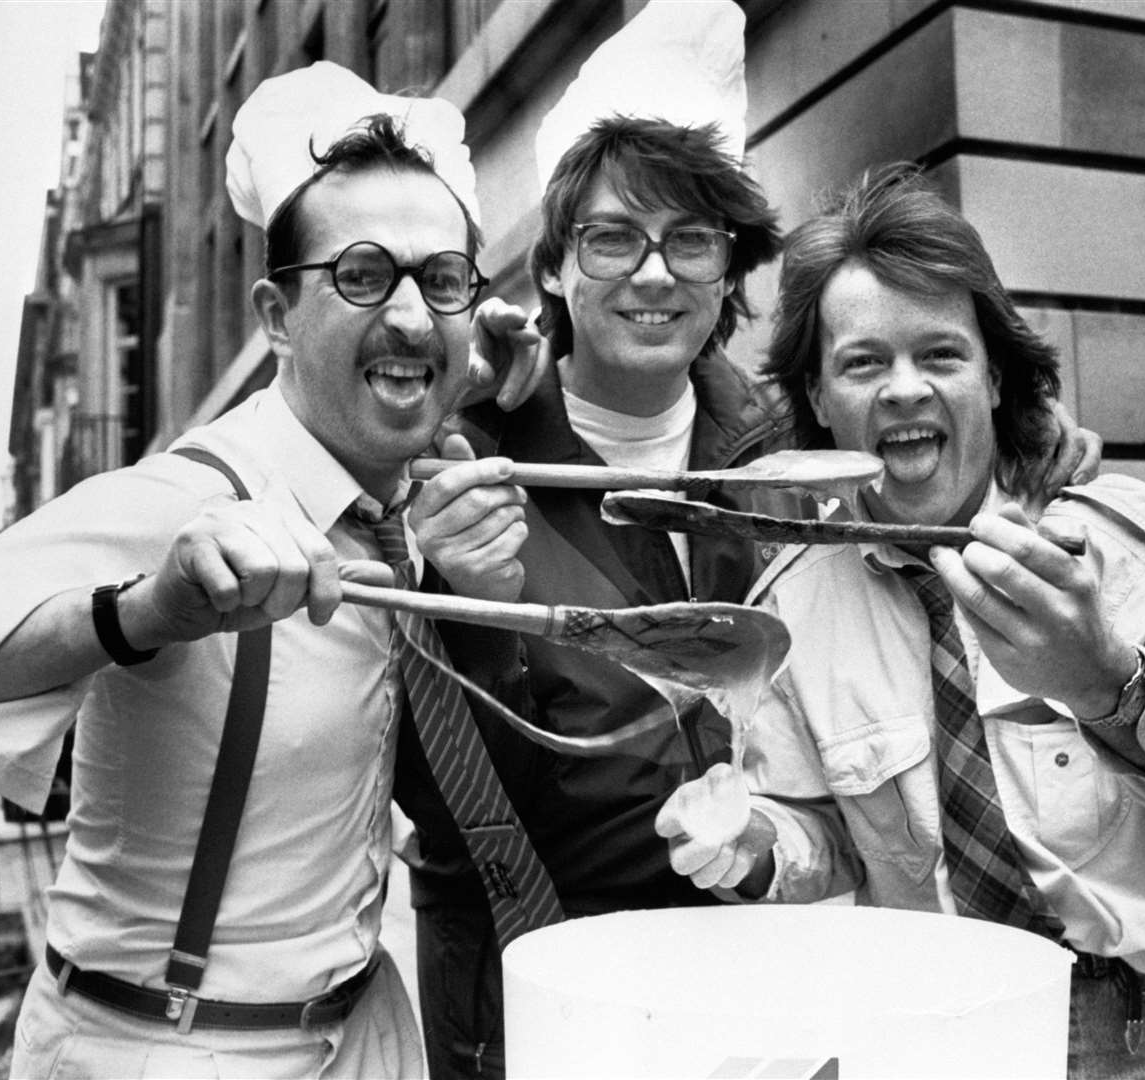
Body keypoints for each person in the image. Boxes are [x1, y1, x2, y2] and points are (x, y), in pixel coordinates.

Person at [395, 7, 1098, 1078]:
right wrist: (463, 602)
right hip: (560, 989)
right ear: (550, 270)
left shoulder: (789, 454)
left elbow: (923, 474)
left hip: (788, 986)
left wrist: (1024, 446)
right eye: (610, 237)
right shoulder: (472, 466)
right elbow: (427, 785)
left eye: (690, 239)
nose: (653, 272)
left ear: (729, 271)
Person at [0, 61, 540, 1078]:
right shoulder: (185, 495)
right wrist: (147, 611)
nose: (408, 313)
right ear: (274, 316)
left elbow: (452, 351)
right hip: (168, 1047)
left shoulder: (409, 470)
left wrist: (514, 354)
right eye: (357, 274)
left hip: (369, 1034)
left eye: (439, 280)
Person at [654, 163, 1145, 1079]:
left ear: (993, 376)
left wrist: (1107, 681)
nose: (904, 388)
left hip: (1138, 1034)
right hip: (927, 1038)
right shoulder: (790, 607)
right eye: (862, 363)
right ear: (819, 401)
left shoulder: (1108, 539)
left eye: (940, 354)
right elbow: (822, 839)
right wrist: (751, 844)